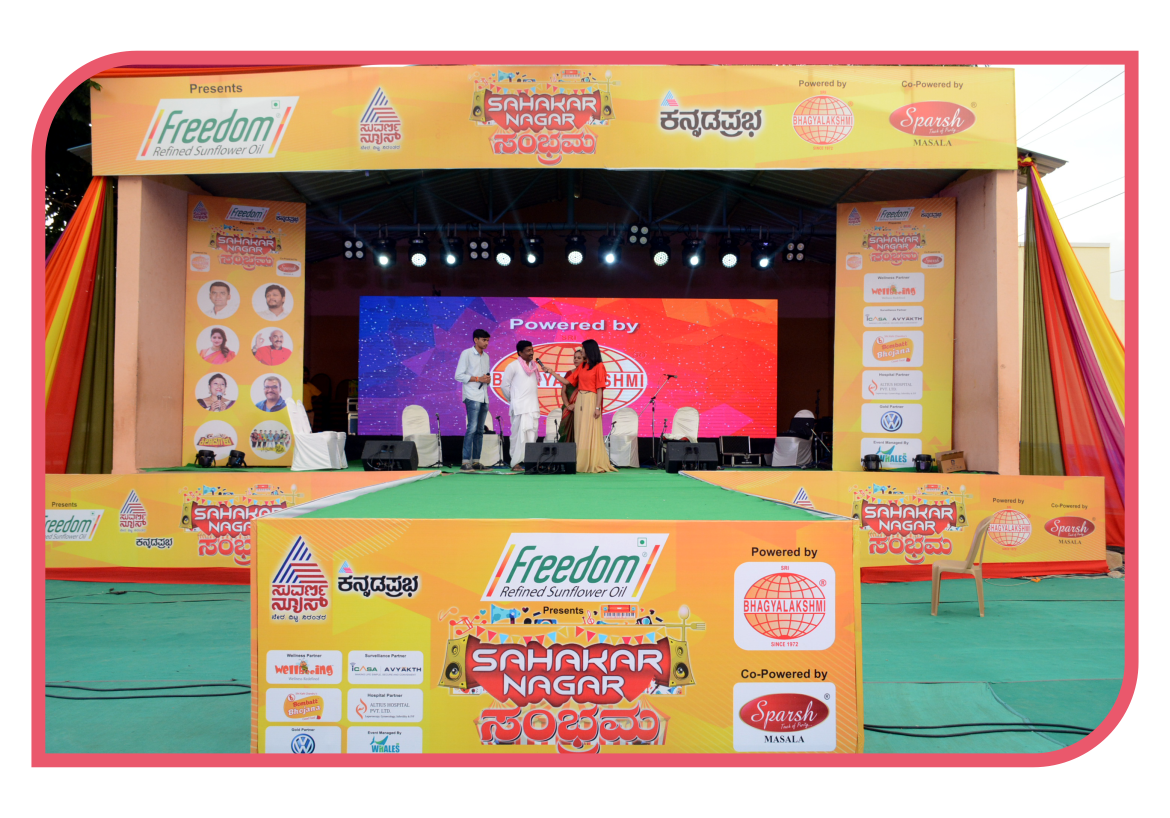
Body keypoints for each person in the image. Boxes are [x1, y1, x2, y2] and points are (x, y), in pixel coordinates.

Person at [539, 339, 615, 473]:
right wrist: (551, 372)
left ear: (589, 350)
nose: (582, 351)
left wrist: (598, 407)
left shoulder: (599, 366)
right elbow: (566, 382)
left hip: (591, 399)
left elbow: (599, 389)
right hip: (580, 399)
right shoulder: (583, 366)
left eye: (583, 349)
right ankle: (581, 462)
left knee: (590, 431)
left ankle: (593, 462)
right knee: (580, 431)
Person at [500, 340, 541, 471]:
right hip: (519, 407)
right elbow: (504, 386)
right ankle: (515, 463)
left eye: (532, 350)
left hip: (533, 407)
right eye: (528, 350)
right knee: (518, 436)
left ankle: (530, 462)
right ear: (520, 352)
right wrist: (513, 400)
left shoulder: (534, 367)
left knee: (532, 435)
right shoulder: (513, 366)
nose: (531, 352)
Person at [454, 329, 491, 471]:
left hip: (484, 396)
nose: (486, 343)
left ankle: (476, 461)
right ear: (476, 340)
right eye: (484, 340)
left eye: (488, 340)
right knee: (472, 428)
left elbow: (484, 377)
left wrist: (487, 380)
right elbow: (458, 375)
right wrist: (478, 379)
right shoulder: (467, 353)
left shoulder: (486, 356)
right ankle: (465, 462)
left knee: (480, 430)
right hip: (472, 395)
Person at [558, 347, 584, 443]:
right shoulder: (569, 373)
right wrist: (568, 405)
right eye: (575, 357)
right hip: (568, 408)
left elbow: (586, 393)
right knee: (565, 433)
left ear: (585, 359)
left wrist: (576, 405)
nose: (576, 359)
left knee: (580, 433)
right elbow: (563, 391)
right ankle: (564, 452)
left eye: (579, 358)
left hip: (581, 407)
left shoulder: (587, 375)